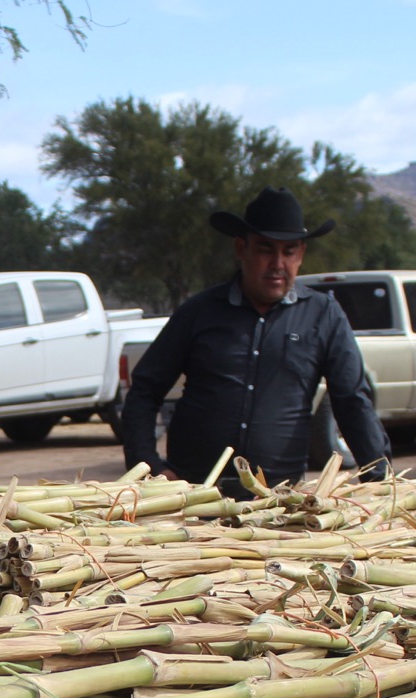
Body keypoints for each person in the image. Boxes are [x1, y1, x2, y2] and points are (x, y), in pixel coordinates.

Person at [118, 186, 390, 491]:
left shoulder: (323, 316)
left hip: (280, 499)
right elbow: (144, 389)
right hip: (192, 496)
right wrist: (149, 467)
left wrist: (377, 480)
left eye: (289, 252)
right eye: (265, 249)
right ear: (241, 248)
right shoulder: (199, 312)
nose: (278, 263)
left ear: (301, 254)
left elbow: (352, 400)